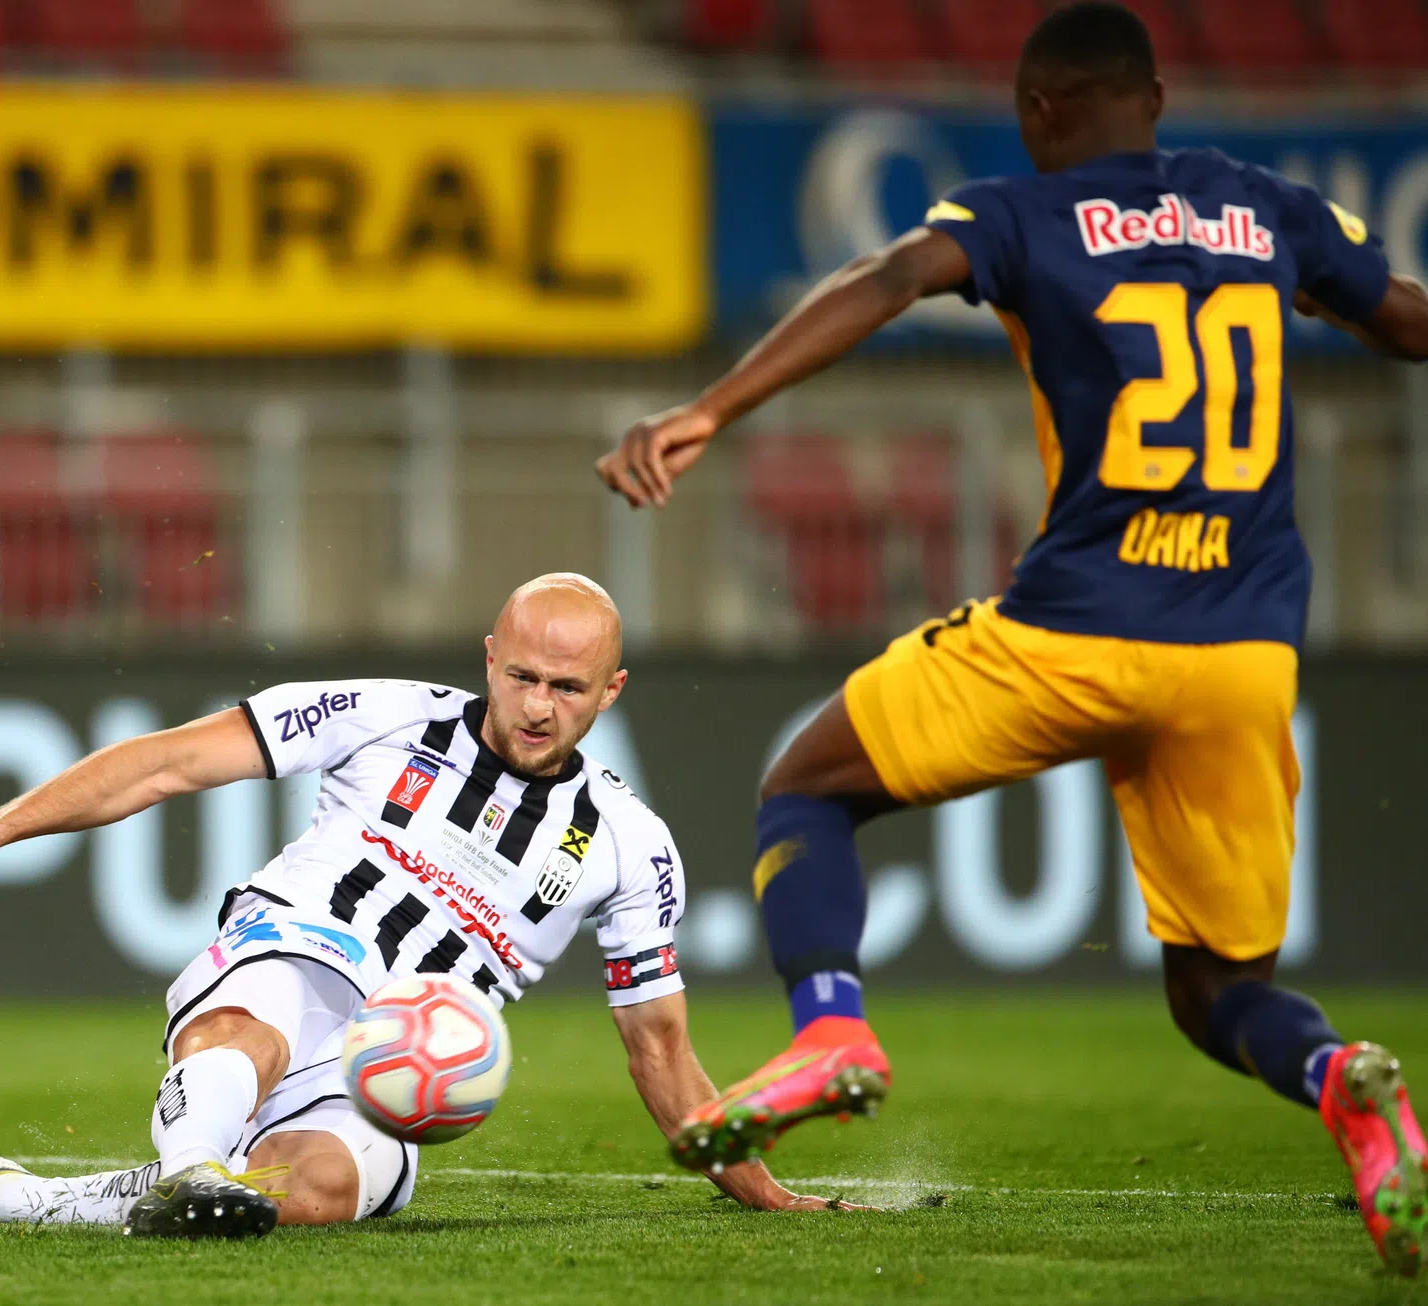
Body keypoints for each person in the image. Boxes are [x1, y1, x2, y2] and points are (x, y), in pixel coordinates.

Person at [595, 2, 1428, 1275]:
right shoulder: (1262, 207)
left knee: (805, 789)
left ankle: (832, 1030)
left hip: (1074, 630)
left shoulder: (1016, 212)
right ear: (1153, 97)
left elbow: (884, 281)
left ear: (1038, 111)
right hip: (1244, 656)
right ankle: (1338, 1081)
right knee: (1220, 991)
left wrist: (711, 407)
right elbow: (1405, 320)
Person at [0, 573, 836, 1237]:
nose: (537, 705)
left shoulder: (630, 843)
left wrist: (760, 1187)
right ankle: (190, 1168)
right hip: (298, 951)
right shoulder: (384, 714)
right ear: (487, 655)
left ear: (609, 690)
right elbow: (168, 763)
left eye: (566, 687)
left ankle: (17, 1197)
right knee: (263, 1003)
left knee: (304, 1190)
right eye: (521, 675)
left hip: (402, 1062)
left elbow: (657, 1048)